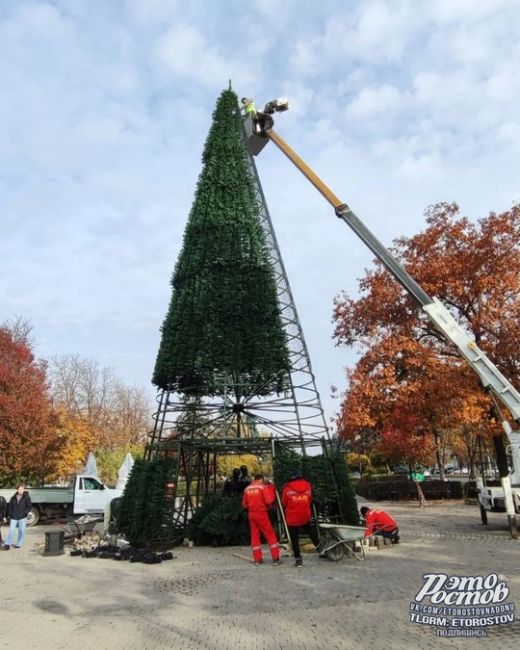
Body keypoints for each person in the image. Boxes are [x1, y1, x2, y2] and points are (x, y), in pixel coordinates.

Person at [281, 471, 321, 568]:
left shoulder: (287, 488)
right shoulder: (307, 486)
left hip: (292, 516)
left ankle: (298, 560)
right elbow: (309, 499)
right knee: (311, 532)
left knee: (294, 539)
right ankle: (321, 551)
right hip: (305, 514)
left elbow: (284, 503)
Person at [242, 474, 281, 565]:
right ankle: (275, 558)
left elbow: (244, 504)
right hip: (261, 513)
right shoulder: (262, 487)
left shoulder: (247, 489)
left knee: (255, 536)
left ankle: (257, 560)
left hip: (251, 514)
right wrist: (271, 489)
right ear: (261, 479)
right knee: (270, 534)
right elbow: (269, 501)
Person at [4, 484, 32, 550]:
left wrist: (25, 512)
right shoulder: (13, 497)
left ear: (24, 489)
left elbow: (29, 506)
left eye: (22, 489)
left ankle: (19, 544)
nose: (21, 490)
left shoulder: (26, 497)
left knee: (21, 531)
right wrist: (10, 514)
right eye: (20, 489)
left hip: (22, 517)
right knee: (11, 530)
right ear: (17, 489)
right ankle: (8, 544)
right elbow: (10, 507)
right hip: (13, 517)